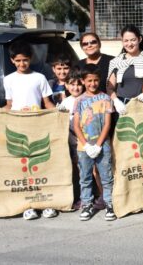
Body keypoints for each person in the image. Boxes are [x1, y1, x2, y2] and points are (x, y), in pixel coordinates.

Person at [1, 41, 56, 220]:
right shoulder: (8, 80)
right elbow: (9, 105)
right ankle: (28, 206)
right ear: (12, 60)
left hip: (38, 125)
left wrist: (59, 114)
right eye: (18, 61)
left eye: (25, 60)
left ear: (30, 59)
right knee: (23, 168)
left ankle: (47, 204)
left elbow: (47, 103)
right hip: (18, 128)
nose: (22, 64)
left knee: (42, 164)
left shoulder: (39, 78)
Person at [72, 64, 115, 222]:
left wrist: (98, 144)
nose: (93, 84)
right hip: (84, 147)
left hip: (102, 145)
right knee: (85, 176)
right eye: (89, 80)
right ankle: (87, 204)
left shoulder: (105, 98)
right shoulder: (79, 101)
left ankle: (110, 204)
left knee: (106, 176)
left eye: (96, 80)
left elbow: (107, 124)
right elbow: (76, 125)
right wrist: (86, 144)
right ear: (83, 81)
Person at [107, 25, 143, 113]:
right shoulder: (116, 62)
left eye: (133, 40)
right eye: (126, 41)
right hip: (123, 108)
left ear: (139, 39)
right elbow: (110, 88)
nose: (129, 44)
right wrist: (116, 101)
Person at [57, 68, 84, 210]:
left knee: (87, 169)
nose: (75, 87)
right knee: (75, 169)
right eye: (72, 84)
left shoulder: (86, 98)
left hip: (85, 139)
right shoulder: (65, 103)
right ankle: (77, 197)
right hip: (70, 140)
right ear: (66, 85)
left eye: (79, 84)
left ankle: (89, 197)